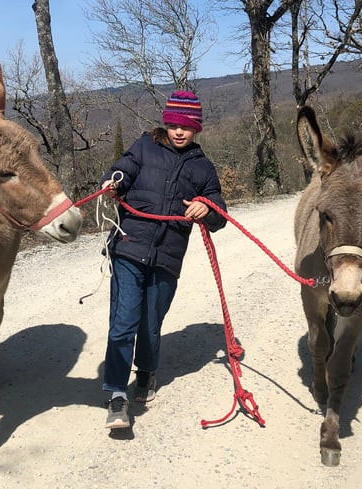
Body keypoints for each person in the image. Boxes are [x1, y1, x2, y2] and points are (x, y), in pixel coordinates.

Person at [99, 90, 227, 429]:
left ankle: (146, 372)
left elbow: (220, 213)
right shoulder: (144, 146)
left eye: (186, 126)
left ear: (196, 128)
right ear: (165, 123)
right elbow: (122, 168)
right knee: (123, 322)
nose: (179, 132)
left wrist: (208, 209)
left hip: (167, 258)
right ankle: (116, 395)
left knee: (150, 323)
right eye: (173, 125)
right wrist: (113, 182)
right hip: (128, 248)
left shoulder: (202, 167)